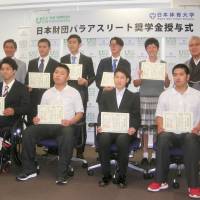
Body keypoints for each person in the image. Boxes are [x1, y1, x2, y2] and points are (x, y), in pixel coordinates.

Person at [16, 64, 84, 185]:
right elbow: (41, 113)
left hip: (65, 126)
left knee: (68, 133)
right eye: (56, 72)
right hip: (46, 125)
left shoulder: (74, 92)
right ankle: (29, 169)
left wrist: (70, 121)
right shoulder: (47, 93)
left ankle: (62, 173)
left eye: (62, 73)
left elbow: (80, 113)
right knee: (28, 132)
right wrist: (37, 119)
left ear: (67, 77)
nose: (58, 75)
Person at [147, 64, 200, 199]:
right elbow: (159, 115)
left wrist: (197, 128)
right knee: (163, 137)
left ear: (188, 77)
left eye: (181, 74)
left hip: (190, 133)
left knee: (190, 138)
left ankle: (193, 185)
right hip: (170, 132)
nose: (177, 77)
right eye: (175, 74)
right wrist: (160, 126)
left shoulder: (197, 95)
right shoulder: (165, 95)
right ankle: (160, 181)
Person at [97, 68, 140, 188]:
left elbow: (136, 116)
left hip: (126, 131)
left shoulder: (133, 96)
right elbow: (102, 114)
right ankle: (106, 175)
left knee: (122, 140)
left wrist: (133, 127)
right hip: (109, 129)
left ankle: (121, 176)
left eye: (122, 77)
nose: (119, 80)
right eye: (117, 77)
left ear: (127, 80)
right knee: (103, 138)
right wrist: (100, 125)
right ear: (113, 79)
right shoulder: (106, 94)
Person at [133, 38, 170, 168]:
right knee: (144, 128)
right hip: (144, 98)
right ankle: (144, 154)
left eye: (154, 46)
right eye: (149, 47)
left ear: (158, 48)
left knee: (156, 127)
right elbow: (135, 83)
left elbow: (167, 84)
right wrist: (140, 77)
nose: (152, 49)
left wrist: (165, 77)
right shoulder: (142, 63)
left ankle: (154, 154)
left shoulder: (163, 63)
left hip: (159, 98)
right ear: (146, 49)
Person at [60, 34, 95, 159]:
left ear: (79, 44)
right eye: (69, 42)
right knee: (66, 119)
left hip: (81, 93)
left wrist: (86, 82)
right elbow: (59, 75)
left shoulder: (87, 59)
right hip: (65, 94)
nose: (71, 44)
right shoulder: (63, 59)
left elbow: (92, 76)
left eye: (74, 42)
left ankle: (80, 151)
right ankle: (65, 149)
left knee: (80, 121)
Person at [25, 38, 58, 125]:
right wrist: (27, 86)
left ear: (49, 48)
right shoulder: (31, 63)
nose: (41, 49)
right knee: (31, 125)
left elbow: (57, 82)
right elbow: (27, 80)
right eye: (40, 47)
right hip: (33, 100)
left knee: (46, 124)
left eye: (44, 47)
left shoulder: (56, 64)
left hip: (49, 99)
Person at [95, 37, 131, 105]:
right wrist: (103, 88)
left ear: (121, 47)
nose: (113, 46)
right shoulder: (103, 62)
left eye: (116, 44)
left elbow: (127, 80)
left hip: (120, 97)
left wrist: (118, 89)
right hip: (104, 96)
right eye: (111, 44)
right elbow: (97, 79)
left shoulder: (126, 63)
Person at [0, 57, 30, 136]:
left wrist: (14, 110)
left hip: (13, 120)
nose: (4, 71)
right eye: (2, 69)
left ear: (14, 71)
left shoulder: (22, 88)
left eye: (7, 69)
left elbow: (27, 108)